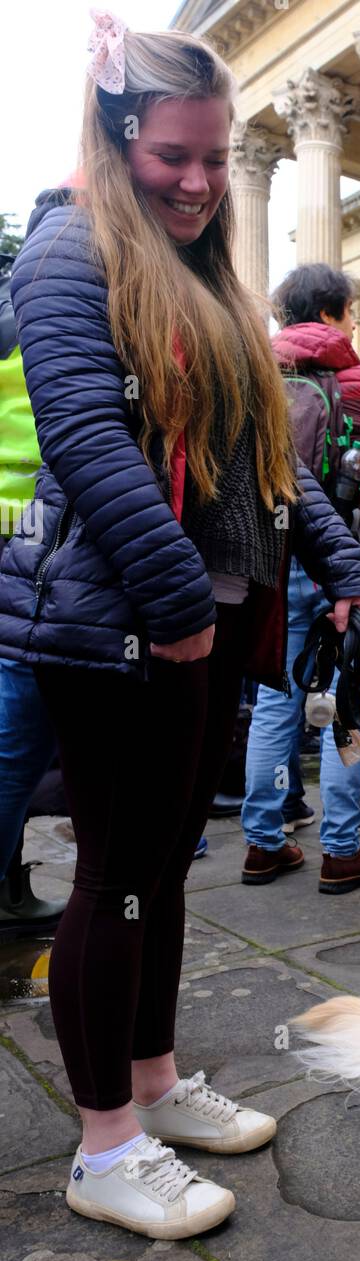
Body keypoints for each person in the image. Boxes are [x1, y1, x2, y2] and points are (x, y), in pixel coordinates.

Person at [0, 18, 360, 1239]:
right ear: (116, 139)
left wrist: (342, 561)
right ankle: (103, 1144)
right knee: (110, 879)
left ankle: (153, 1085)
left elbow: (265, 454)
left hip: (204, 626)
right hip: (125, 631)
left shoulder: (203, 270)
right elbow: (85, 442)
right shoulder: (67, 252)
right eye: (175, 155)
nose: (202, 181)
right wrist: (173, 610)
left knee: (159, 873)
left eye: (215, 158)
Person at [242, 263, 360, 893]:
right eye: (351, 310)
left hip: (279, 558)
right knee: (350, 702)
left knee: (276, 700)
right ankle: (342, 847)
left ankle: (263, 842)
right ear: (334, 311)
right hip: (350, 560)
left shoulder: (257, 378)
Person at [0, 253, 67, 928]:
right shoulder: (60, 310)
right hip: (33, 540)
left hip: (21, 532)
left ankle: (11, 889)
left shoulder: (14, 305)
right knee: (16, 738)